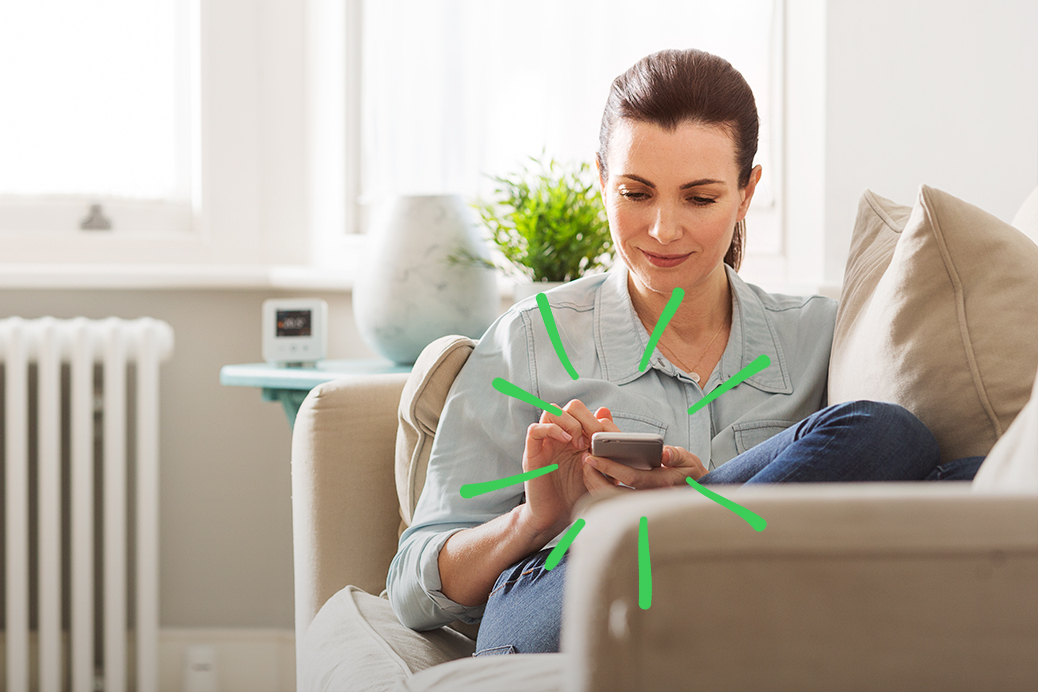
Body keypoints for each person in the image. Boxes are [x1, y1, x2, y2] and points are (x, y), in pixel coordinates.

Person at [387, 48, 966, 657]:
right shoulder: (529, 340)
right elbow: (414, 585)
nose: (663, 229)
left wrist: (697, 500)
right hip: (564, 609)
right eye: (636, 193)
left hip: (765, 610)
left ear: (747, 193)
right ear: (602, 181)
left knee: (942, 464)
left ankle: (703, 564)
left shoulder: (820, 338)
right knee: (881, 430)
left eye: (700, 198)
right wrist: (539, 519)